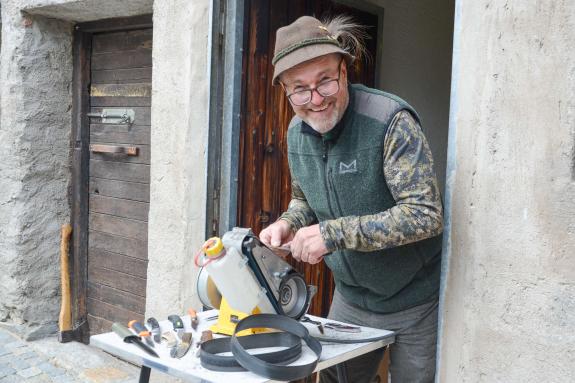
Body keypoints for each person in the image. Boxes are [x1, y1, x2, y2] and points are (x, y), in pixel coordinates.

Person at [259, 15, 444, 383]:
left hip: (414, 301)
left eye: (325, 80)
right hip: (351, 301)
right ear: (285, 91)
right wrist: (287, 223)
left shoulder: (390, 120)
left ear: (344, 70)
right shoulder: (298, 132)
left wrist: (332, 235)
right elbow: (304, 199)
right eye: (299, 89)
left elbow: (424, 214)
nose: (314, 100)